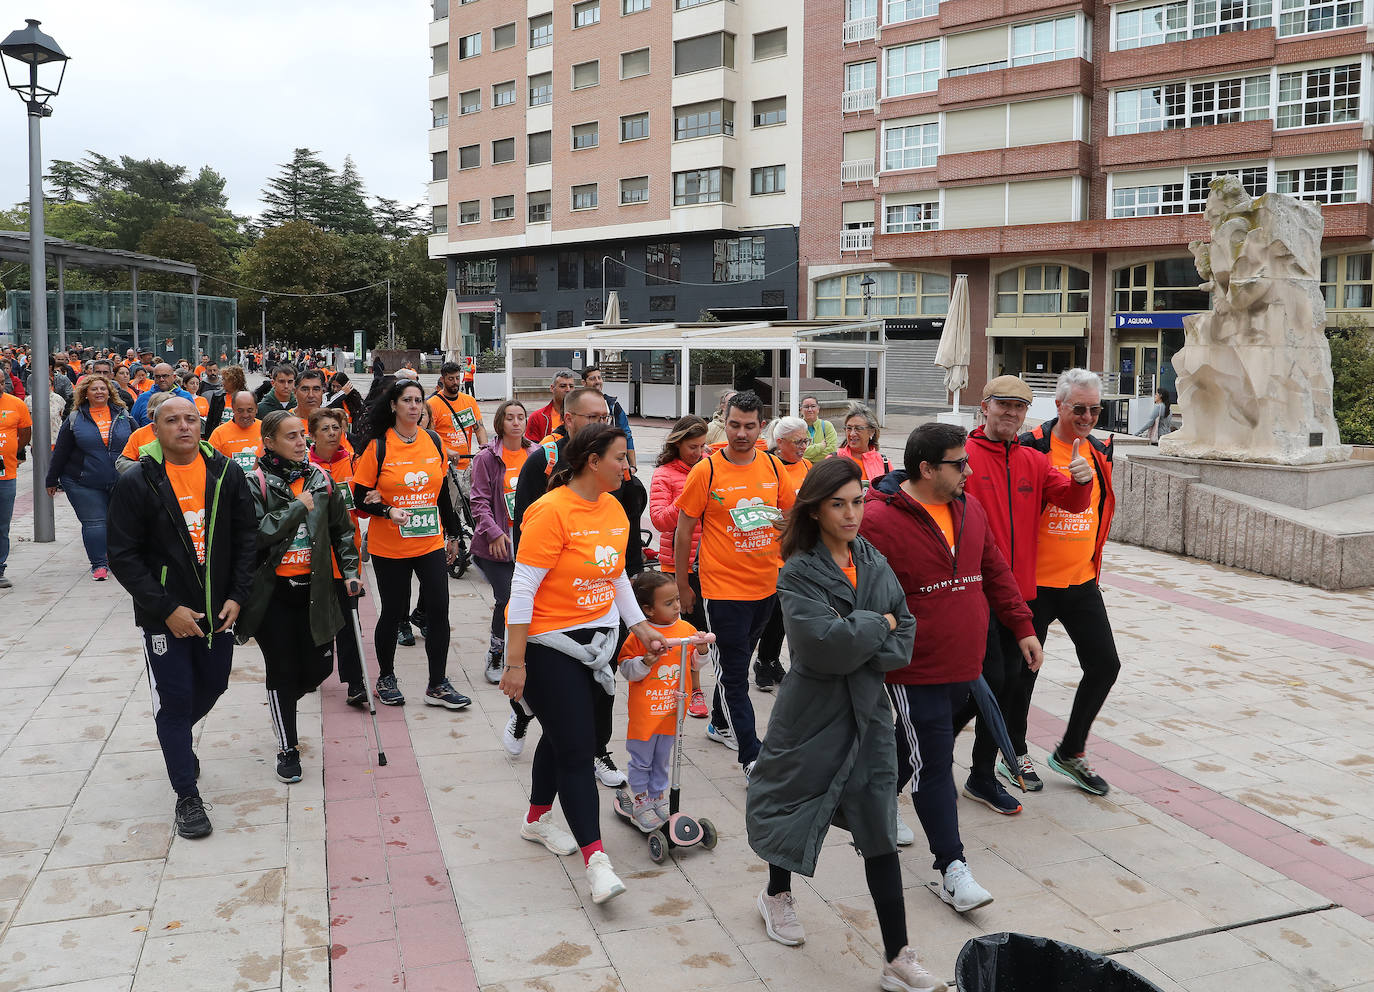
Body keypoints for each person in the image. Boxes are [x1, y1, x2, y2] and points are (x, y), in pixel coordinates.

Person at [746, 458, 943, 992]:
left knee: (879, 824)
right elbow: (821, 648)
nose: (852, 513)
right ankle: (775, 894)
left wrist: (870, 631)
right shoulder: (798, 572)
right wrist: (874, 624)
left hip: (870, 715)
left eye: (858, 501)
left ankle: (897, 955)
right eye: (838, 504)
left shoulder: (874, 560)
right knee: (793, 802)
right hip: (811, 713)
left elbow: (905, 636)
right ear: (814, 509)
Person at [860, 423, 1041, 914]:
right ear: (926, 468)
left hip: (966, 660)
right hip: (912, 666)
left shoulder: (970, 507)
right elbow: (854, 586)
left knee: (920, 743)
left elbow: (995, 570)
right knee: (936, 760)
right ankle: (951, 868)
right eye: (959, 463)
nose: (969, 469)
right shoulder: (877, 520)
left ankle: (868, 800)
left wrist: (1022, 625)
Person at [499, 424, 666, 905]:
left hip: (599, 642)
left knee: (567, 735)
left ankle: (536, 820)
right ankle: (597, 862)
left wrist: (639, 627)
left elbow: (615, 577)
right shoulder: (551, 512)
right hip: (549, 646)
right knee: (578, 750)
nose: (628, 468)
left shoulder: (614, 506)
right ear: (592, 460)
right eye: (621, 458)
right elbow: (523, 590)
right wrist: (515, 663)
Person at [106, 397, 256, 839]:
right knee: (175, 700)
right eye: (172, 420)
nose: (184, 427)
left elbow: (246, 537)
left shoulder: (226, 473)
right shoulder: (138, 481)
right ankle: (186, 795)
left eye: (191, 419)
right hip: (164, 618)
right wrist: (166, 608)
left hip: (218, 612)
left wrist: (238, 596)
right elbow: (123, 555)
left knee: (213, 684)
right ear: (155, 429)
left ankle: (175, 736)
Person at [956, 374, 1091, 806]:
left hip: (1018, 595)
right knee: (982, 683)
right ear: (984, 405)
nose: (1011, 414)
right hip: (972, 593)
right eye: (1003, 405)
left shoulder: (1033, 460)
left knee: (1007, 682)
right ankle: (926, 756)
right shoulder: (963, 457)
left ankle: (979, 772)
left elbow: (1071, 501)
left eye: (1020, 407)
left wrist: (1082, 480)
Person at [510, 386, 645, 785]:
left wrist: (637, 619)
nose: (603, 423)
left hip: (599, 614)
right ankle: (526, 713)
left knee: (592, 708)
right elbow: (527, 539)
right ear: (568, 420)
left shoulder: (613, 493)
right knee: (564, 725)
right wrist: (515, 659)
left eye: (606, 417)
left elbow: (616, 557)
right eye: (593, 418)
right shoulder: (542, 465)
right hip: (552, 624)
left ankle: (595, 752)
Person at [674, 390, 797, 776]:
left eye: (748, 426)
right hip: (722, 589)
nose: (740, 433)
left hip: (767, 586)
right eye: (733, 425)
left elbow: (792, 519)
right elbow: (683, 530)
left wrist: (784, 533)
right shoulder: (706, 471)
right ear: (722, 424)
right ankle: (751, 754)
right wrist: (682, 585)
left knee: (738, 659)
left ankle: (719, 722)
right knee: (734, 673)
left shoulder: (774, 468)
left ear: (762, 427)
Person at [236, 411, 363, 783]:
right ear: (269, 442)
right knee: (282, 671)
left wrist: (351, 571)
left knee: (319, 669)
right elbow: (257, 534)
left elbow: (341, 529)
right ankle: (287, 747)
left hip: (317, 591)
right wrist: (297, 507)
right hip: (274, 595)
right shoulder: (254, 482)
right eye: (290, 437)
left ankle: (290, 693)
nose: (299, 443)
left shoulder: (320, 478)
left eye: (301, 436)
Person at [1016, 369, 1121, 796]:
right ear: (1058, 406)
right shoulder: (1031, 446)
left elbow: (1099, 509)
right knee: (1023, 672)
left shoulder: (1099, 450)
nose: (1088, 416)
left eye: (1095, 408)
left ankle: (1070, 751)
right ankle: (1013, 751)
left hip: (1081, 581)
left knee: (1105, 665)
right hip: (1033, 584)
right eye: (1079, 408)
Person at [351, 379, 471, 710]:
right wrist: (387, 509)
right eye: (407, 400)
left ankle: (438, 684)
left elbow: (442, 494)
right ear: (393, 405)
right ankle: (386, 677)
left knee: (439, 610)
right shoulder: (379, 446)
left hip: (429, 542)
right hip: (390, 546)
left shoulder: (433, 441)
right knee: (393, 611)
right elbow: (359, 496)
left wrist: (454, 534)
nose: (415, 406)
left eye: (419, 400)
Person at [617, 571, 709, 830]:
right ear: (647, 609)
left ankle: (657, 797)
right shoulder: (640, 635)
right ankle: (640, 802)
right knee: (642, 759)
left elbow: (696, 664)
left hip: (672, 710)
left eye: (677, 600)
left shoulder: (686, 630)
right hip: (646, 712)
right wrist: (646, 661)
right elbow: (626, 668)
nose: (677, 606)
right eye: (668, 603)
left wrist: (702, 649)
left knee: (662, 758)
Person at [469, 400, 536, 686]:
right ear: (500, 423)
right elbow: (479, 502)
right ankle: (496, 652)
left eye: (521, 417)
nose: (516, 423)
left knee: (532, 601)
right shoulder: (486, 458)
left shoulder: (535, 454)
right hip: (496, 543)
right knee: (507, 599)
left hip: (529, 541)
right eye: (510, 418)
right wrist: (494, 532)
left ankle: (526, 654)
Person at [45, 373, 135, 581]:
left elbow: (139, 441)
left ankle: (116, 560)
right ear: (85, 393)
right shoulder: (76, 418)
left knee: (119, 523)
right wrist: (52, 479)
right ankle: (99, 564)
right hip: (83, 481)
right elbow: (61, 451)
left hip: (120, 479)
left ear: (110, 392)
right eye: (94, 389)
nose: (99, 392)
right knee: (95, 523)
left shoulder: (123, 414)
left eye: (103, 388)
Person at [647, 416, 708, 717]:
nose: (698, 452)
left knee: (702, 633)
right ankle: (691, 689)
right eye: (692, 447)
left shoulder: (709, 465)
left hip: (710, 560)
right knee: (685, 629)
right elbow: (659, 520)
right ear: (677, 443)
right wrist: (690, 494)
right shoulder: (664, 473)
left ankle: (693, 685)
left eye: (702, 446)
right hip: (677, 564)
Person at [308, 407, 368, 707]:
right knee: (315, 620)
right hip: (313, 559)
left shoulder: (354, 461)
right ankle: (311, 672)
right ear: (313, 436)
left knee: (348, 622)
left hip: (347, 557)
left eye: (336, 428)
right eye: (326, 429)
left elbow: (365, 498)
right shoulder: (304, 467)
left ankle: (355, 683)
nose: (333, 433)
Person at [752, 416, 812, 693]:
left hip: (797, 552)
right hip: (768, 552)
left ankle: (770, 660)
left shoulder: (808, 467)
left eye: (806, 440)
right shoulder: (766, 466)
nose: (804, 446)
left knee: (784, 616)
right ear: (781, 443)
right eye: (799, 442)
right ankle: (757, 662)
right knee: (766, 614)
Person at [0, 373, 33, 589]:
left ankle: (0, 568)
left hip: (6, 475)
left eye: (1, 382)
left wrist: (13, 452)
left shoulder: (15, 404)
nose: (0, 386)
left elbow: (25, 433)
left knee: (2, 524)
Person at [582, 366, 636, 469]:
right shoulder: (577, 406)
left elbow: (626, 434)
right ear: (584, 383)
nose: (597, 381)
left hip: (611, 463)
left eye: (599, 378)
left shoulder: (613, 406)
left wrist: (633, 466)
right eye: (593, 379)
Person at [117, 391, 176, 471]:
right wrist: (146, 466)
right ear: (153, 414)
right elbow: (121, 464)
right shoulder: (140, 434)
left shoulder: (183, 431)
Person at [834, 402, 891, 485]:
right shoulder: (834, 460)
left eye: (858, 428)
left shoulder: (884, 463)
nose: (852, 434)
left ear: (871, 432)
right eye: (849, 428)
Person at [209, 391, 263, 473]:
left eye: (250, 410)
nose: (245, 415)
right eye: (240, 411)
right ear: (233, 409)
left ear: (256, 409)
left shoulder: (266, 429)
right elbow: (210, 466)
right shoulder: (219, 433)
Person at [524, 370, 577, 442]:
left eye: (571, 386)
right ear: (552, 388)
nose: (568, 389)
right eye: (563, 386)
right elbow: (531, 448)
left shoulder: (582, 415)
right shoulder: (537, 417)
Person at [799, 395, 837, 463]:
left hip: (823, 469)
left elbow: (832, 450)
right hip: (804, 469)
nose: (810, 410)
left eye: (813, 406)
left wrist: (808, 455)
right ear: (801, 409)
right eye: (806, 407)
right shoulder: (797, 428)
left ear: (818, 409)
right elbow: (797, 452)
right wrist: (821, 446)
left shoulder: (827, 426)